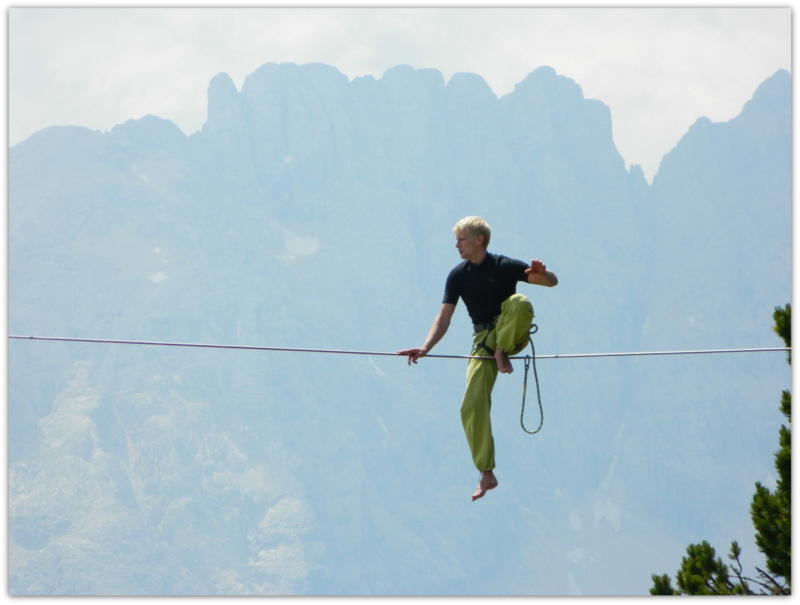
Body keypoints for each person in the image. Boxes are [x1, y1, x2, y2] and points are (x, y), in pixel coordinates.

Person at [398, 216, 558, 501]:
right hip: (482, 342)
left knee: (519, 302)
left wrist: (543, 274)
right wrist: (425, 347)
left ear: (478, 240)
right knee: (471, 404)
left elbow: (551, 283)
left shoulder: (504, 265)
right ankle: (486, 472)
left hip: (511, 334)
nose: (456, 245)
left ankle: (502, 350)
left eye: (461, 239)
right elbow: (443, 317)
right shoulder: (458, 275)